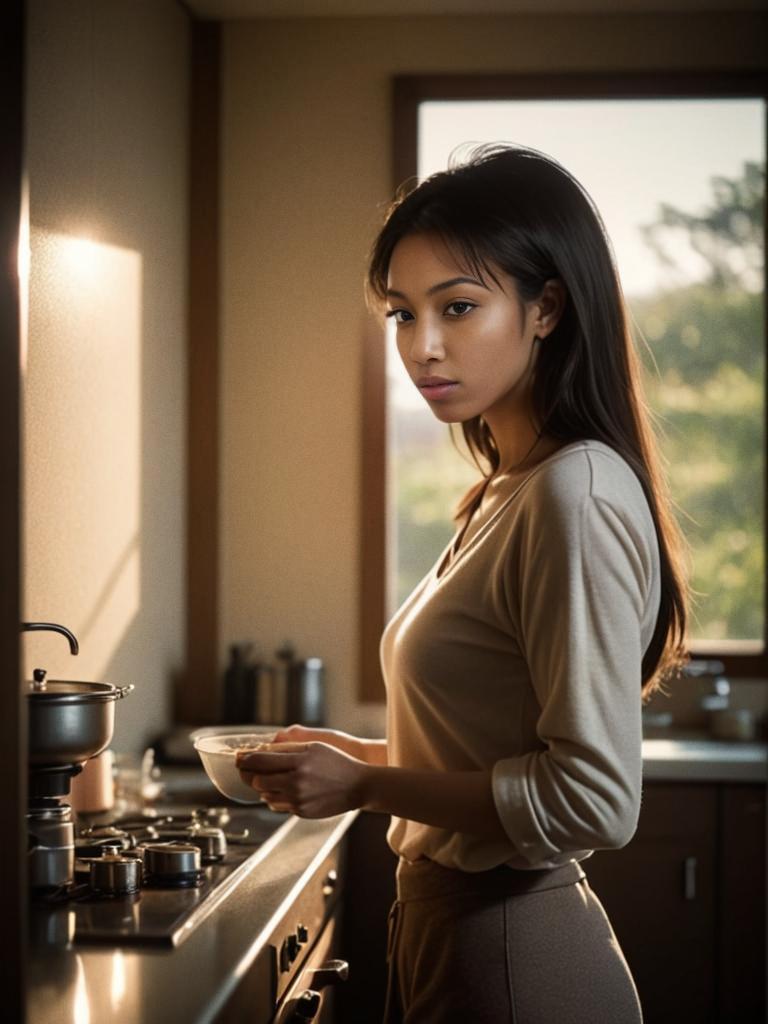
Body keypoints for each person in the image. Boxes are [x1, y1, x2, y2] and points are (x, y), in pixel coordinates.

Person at [236, 143, 689, 1023]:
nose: (422, 345)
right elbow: (481, 759)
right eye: (403, 314)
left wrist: (366, 786)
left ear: (546, 308)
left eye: (459, 307)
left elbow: (593, 800)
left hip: (516, 955)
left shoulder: (574, 493)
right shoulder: (508, 486)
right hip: (455, 934)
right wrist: (355, 758)